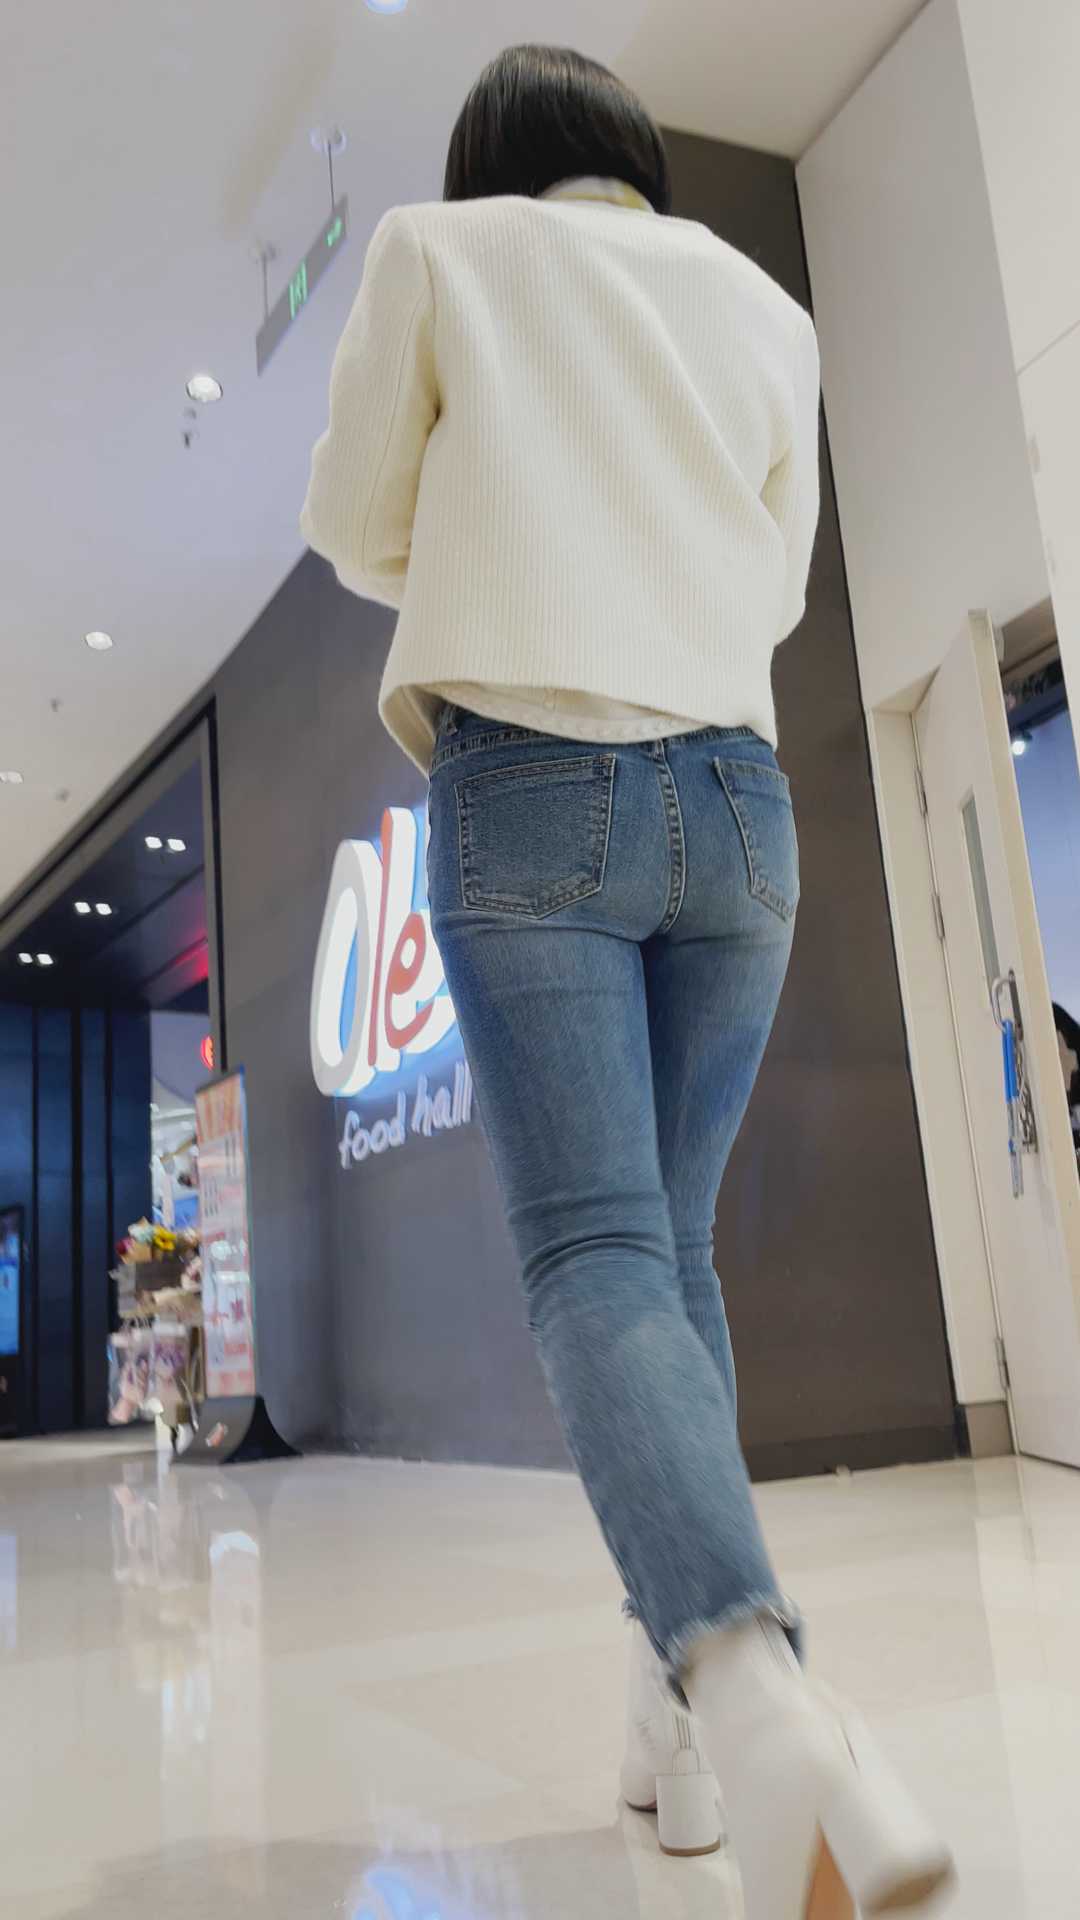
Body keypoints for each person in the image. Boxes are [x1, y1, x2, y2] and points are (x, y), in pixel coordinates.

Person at [302, 44, 954, 1917]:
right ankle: (681, 1749)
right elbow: (774, 578)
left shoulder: (437, 251)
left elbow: (355, 522)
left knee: (594, 1261)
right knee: (670, 1265)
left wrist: (510, 531)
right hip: (739, 806)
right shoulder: (763, 307)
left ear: (490, 159)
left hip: (532, 779)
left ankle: (759, 1698)